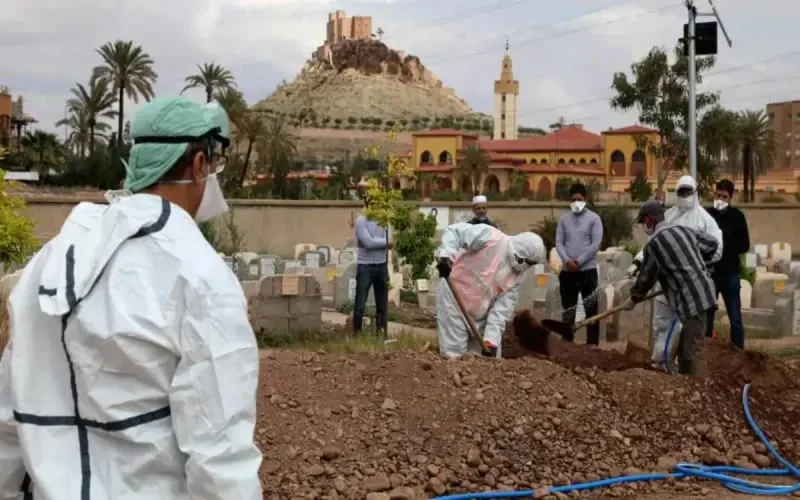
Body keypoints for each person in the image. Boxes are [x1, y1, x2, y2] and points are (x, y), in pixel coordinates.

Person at [0, 97, 263, 499]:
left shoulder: (53, 260)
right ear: (198, 166)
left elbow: (8, 418)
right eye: (215, 165)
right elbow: (220, 453)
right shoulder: (200, 276)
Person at [627, 175, 722, 365]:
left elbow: (648, 277)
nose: (644, 226)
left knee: (690, 351)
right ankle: (663, 364)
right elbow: (709, 244)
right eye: (681, 192)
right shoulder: (677, 225)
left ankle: (690, 385)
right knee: (664, 327)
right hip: (683, 290)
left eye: (645, 221)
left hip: (693, 297)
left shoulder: (704, 220)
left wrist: (633, 298)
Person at [434, 223, 546, 359]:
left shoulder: (518, 277)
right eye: (525, 261)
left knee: (488, 361)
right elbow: (455, 232)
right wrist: (446, 257)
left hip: (481, 316)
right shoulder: (491, 237)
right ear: (519, 253)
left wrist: (491, 341)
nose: (525, 266)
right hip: (453, 300)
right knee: (454, 354)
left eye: (530, 264)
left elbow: (501, 310)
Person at [555, 183, 604, 345]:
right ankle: (567, 343)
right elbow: (559, 242)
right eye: (574, 199)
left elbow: (595, 244)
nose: (577, 202)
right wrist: (567, 260)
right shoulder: (564, 219)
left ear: (586, 199)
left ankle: (592, 345)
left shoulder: (594, 219)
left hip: (587, 271)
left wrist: (579, 261)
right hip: (567, 272)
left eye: (579, 199)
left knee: (591, 310)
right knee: (568, 310)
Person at [706, 179, 750, 349]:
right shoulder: (707, 215)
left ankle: (738, 352)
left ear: (730, 197)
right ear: (714, 194)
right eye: (718, 195)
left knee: (735, 318)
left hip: (730, 274)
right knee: (708, 315)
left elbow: (745, 245)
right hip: (711, 273)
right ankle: (706, 349)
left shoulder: (738, 217)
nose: (721, 199)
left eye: (724, 197)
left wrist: (726, 246)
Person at [353, 197, 392, 335]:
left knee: (382, 303)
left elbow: (390, 240)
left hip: (382, 265)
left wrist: (378, 242)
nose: (376, 207)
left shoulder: (385, 220)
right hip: (365, 266)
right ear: (367, 205)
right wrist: (385, 243)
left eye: (378, 203)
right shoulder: (360, 221)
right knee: (360, 303)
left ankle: (380, 332)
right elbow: (367, 243)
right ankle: (357, 333)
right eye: (373, 204)